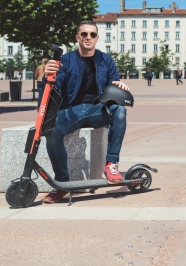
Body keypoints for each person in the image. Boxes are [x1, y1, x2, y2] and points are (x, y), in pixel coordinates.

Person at [40, 21, 130, 204]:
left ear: (97, 38)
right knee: (51, 130)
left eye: (92, 34)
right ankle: (62, 183)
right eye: (84, 34)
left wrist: (120, 86)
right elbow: (53, 88)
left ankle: (111, 164)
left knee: (120, 111)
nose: (88, 38)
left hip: (98, 108)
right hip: (71, 110)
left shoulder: (106, 60)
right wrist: (47, 76)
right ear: (77, 37)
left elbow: (113, 85)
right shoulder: (65, 61)